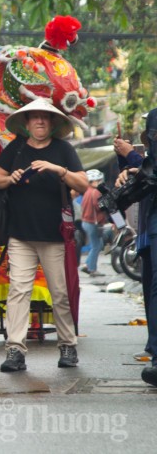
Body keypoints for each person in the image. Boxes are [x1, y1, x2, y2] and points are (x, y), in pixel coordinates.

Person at [0, 98, 88, 373]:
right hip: (20, 235)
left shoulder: (63, 150)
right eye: (34, 118)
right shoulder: (16, 148)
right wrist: (11, 178)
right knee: (18, 292)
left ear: (53, 123)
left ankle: (68, 345)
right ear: (26, 122)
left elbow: (82, 183)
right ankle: (15, 350)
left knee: (60, 293)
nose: (40, 122)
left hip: (55, 235)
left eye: (45, 118)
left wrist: (59, 170)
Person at [117, 109, 157, 386]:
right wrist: (131, 169)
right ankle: (154, 349)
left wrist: (134, 158)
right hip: (149, 225)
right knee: (152, 284)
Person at [80, 169, 107, 277]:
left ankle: (87, 264)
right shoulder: (95, 192)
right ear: (93, 181)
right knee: (96, 246)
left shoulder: (87, 191)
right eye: (99, 180)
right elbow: (99, 207)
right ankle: (92, 269)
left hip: (86, 222)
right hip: (92, 223)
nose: (100, 182)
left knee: (97, 244)